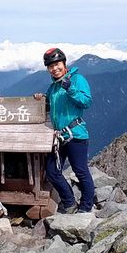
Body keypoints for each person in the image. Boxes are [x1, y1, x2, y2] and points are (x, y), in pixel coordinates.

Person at [34, 47, 95, 214]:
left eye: (57, 64)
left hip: (76, 134)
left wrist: (70, 89)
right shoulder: (53, 87)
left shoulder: (77, 79)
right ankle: (69, 202)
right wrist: (42, 99)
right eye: (51, 66)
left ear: (64, 63)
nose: (55, 68)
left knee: (81, 171)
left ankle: (85, 206)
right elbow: (50, 106)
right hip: (60, 136)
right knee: (52, 172)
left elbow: (86, 102)